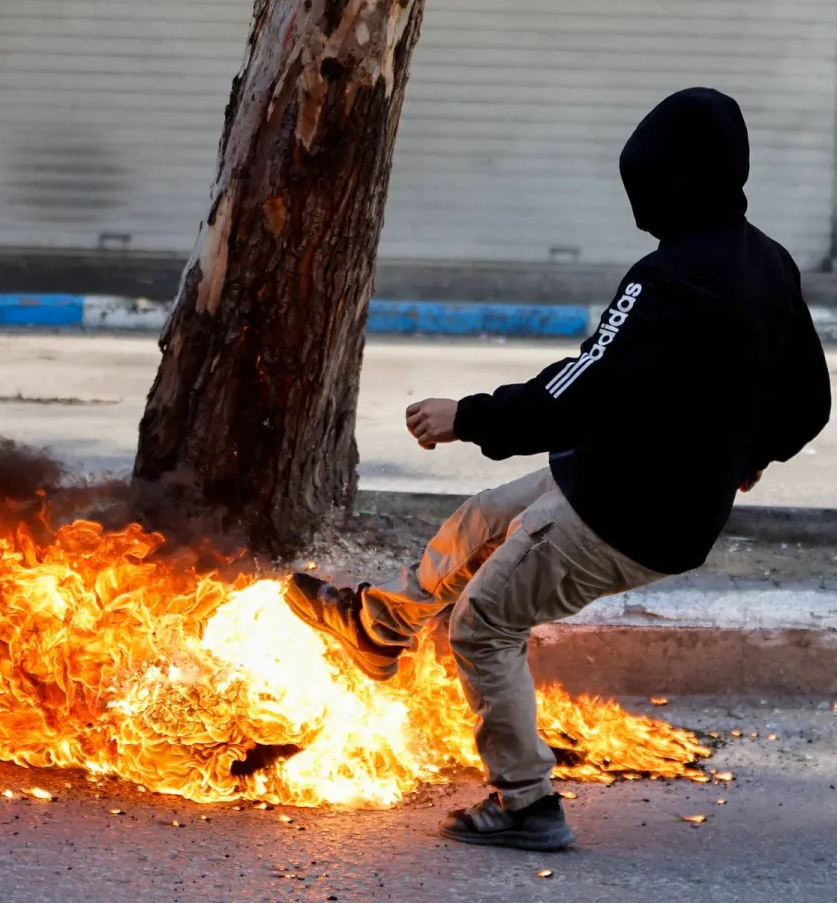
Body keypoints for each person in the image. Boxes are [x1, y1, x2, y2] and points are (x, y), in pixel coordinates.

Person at [284, 88, 831, 852]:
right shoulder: (767, 261)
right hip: (634, 482)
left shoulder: (667, 277)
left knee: (481, 623)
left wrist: (467, 415)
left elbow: (581, 385)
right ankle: (380, 626)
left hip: (622, 511)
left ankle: (526, 801)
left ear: (667, 181)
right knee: (478, 518)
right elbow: (810, 396)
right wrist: (752, 456)